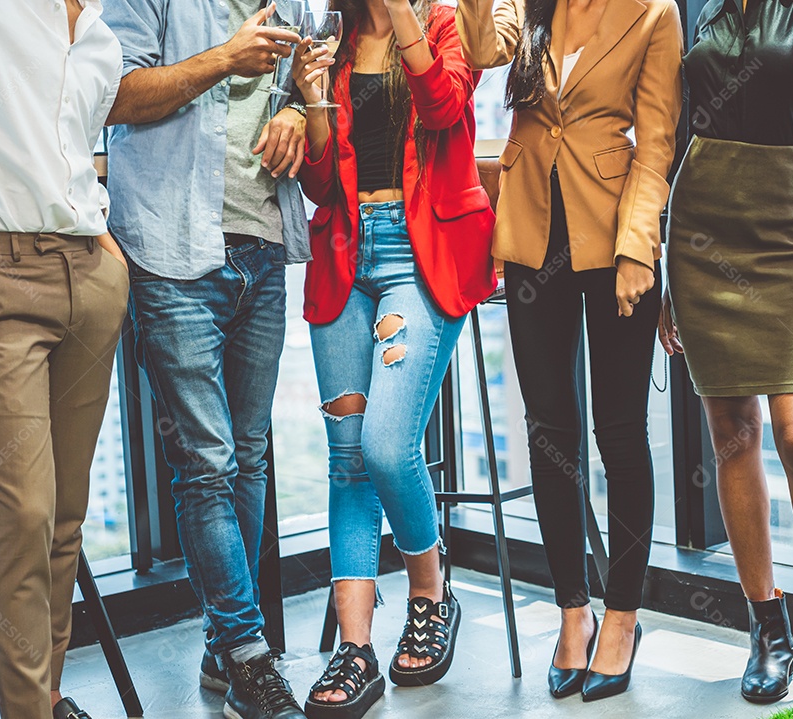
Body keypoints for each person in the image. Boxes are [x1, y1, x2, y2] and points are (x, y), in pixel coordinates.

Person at [456, 0, 683, 703]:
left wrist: (639, 247)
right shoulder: (526, 7)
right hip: (531, 235)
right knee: (549, 431)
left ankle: (623, 616)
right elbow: (481, 51)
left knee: (620, 433)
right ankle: (572, 611)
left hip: (616, 238)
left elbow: (657, 142)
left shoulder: (654, 13)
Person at [102, 2, 310, 717]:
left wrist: (299, 111)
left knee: (248, 457)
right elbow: (114, 95)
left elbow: (306, 80)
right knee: (208, 464)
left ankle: (226, 651)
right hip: (170, 248)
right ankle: (250, 655)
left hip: (265, 244)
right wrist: (225, 58)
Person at [0, 2, 127, 717]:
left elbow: (69, 155)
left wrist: (105, 251)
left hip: (89, 276)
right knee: (25, 514)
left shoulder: (100, 34)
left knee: (66, 515)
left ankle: (48, 695)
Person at [291, 1, 495, 715]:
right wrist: (312, 96)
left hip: (420, 255)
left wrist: (401, 10)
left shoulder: (443, 23)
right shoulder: (336, 36)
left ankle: (429, 594)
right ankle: (354, 649)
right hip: (345, 257)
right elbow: (320, 183)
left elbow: (442, 105)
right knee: (347, 458)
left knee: (384, 444)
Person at [658, 0, 793, 704]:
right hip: (699, 230)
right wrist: (668, 271)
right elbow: (678, 126)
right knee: (732, 435)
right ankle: (767, 628)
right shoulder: (704, 8)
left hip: (788, 232)